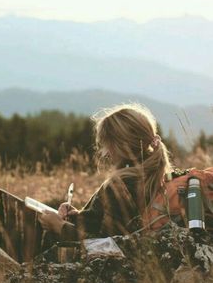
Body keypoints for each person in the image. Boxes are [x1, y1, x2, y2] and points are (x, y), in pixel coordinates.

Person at [38, 103, 182, 241]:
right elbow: (113, 228)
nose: (105, 152)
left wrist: (59, 227)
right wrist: (79, 218)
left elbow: (107, 247)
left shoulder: (121, 186)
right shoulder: (156, 175)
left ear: (119, 145)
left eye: (106, 144)